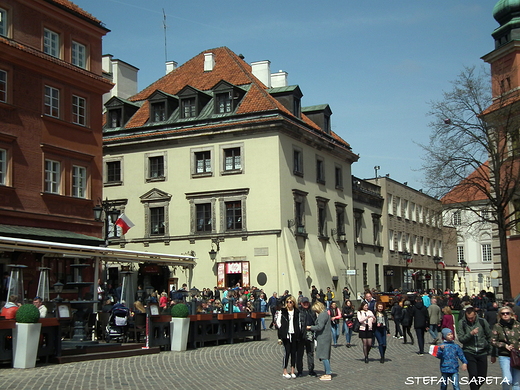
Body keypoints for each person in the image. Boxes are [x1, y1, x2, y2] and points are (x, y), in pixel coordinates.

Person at [457, 306, 491, 390]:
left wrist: (489, 349)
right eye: (469, 318)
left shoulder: (482, 322)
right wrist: (470, 334)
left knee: (482, 377)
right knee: (473, 375)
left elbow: (489, 336)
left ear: (475, 314)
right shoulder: (462, 323)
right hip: (469, 351)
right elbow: (461, 339)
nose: (470, 320)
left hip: (482, 352)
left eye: (472, 318)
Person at [490, 306, 520, 390]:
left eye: (507, 313)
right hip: (504, 355)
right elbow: (492, 341)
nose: (505, 315)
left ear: (511, 314)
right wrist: (504, 345)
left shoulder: (518, 325)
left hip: (517, 355)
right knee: (507, 379)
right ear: (500, 315)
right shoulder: (497, 326)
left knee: (517, 382)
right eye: (503, 314)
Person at [276, 295, 301, 379]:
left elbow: (299, 322)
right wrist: (282, 329)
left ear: (293, 303)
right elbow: (278, 322)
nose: (289, 303)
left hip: (294, 333)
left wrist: (298, 330)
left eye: (290, 302)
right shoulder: (283, 311)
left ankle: (293, 371)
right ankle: (285, 371)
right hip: (286, 334)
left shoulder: (297, 312)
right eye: (287, 302)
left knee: (294, 352)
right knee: (287, 352)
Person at [307, 301, 332, 381]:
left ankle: (328, 373)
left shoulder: (322, 315)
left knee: (324, 356)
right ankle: (327, 372)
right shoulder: (325, 314)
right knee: (325, 356)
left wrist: (310, 327)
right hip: (325, 337)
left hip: (323, 338)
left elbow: (319, 327)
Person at [298, 297, 317, 377]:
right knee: (299, 354)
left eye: (307, 302)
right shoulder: (298, 311)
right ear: (301, 303)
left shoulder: (312, 312)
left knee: (310, 353)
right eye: (304, 303)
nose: (306, 304)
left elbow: (315, 321)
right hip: (300, 335)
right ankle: (300, 371)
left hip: (310, 334)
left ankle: (311, 369)